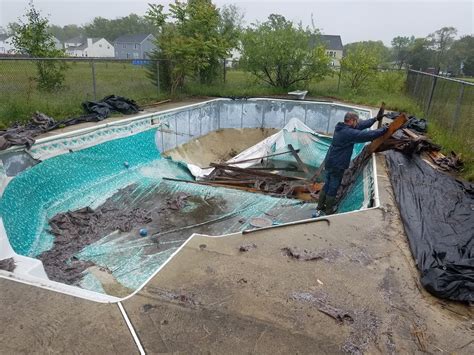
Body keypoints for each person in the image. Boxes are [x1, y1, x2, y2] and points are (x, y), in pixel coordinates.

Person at [317, 111, 387, 215]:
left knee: (327, 183)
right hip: (337, 164)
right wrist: (384, 129)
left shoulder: (341, 127)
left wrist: (375, 119)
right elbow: (368, 135)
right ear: (352, 121)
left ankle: (320, 206)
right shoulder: (348, 133)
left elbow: (360, 126)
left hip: (330, 161)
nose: (357, 123)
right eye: (356, 121)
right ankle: (328, 210)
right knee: (333, 186)